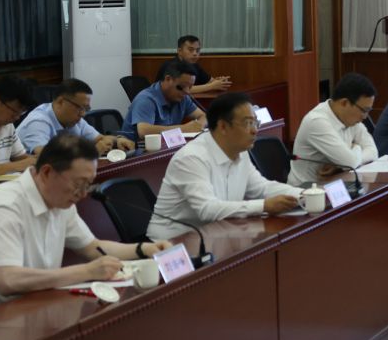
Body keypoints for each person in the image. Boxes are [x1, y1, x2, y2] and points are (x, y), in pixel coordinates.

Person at [0, 132, 174, 320]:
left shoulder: (60, 199)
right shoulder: (4, 206)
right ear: (46, 172)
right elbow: (8, 280)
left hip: (33, 305)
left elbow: (92, 247)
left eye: (88, 185)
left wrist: (144, 249)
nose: (83, 194)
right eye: (78, 184)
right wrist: (86, 272)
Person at [147, 91, 304, 242]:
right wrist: (264, 206)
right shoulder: (191, 158)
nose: (254, 130)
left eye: (255, 123)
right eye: (248, 123)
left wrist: (305, 195)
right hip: (173, 243)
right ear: (222, 126)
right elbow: (207, 209)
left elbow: (261, 187)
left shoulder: (239, 151)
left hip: (216, 233)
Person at [291, 73, 378, 185]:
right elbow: (350, 163)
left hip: (337, 183)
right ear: (344, 103)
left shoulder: (353, 119)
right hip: (306, 190)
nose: (365, 117)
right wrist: (356, 147)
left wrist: (339, 166)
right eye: (364, 110)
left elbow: (373, 151)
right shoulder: (317, 121)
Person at [16, 79, 135, 156]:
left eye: (86, 109)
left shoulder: (74, 120)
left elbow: (99, 139)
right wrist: (90, 152)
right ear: (60, 102)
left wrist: (117, 140)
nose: (83, 114)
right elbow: (46, 156)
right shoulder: (38, 121)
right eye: (80, 108)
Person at [128, 60, 208, 139]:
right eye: (181, 87)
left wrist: (199, 126)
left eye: (190, 87)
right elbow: (143, 131)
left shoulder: (183, 97)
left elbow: (203, 116)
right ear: (168, 79)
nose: (187, 92)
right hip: (133, 145)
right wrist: (184, 129)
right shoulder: (146, 99)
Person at [174, 35, 233, 100]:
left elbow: (210, 81)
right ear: (179, 51)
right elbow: (182, 89)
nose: (195, 53)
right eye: (191, 50)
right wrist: (212, 86)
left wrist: (221, 82)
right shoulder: (172, 66)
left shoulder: (194, 65)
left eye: (197, 50)